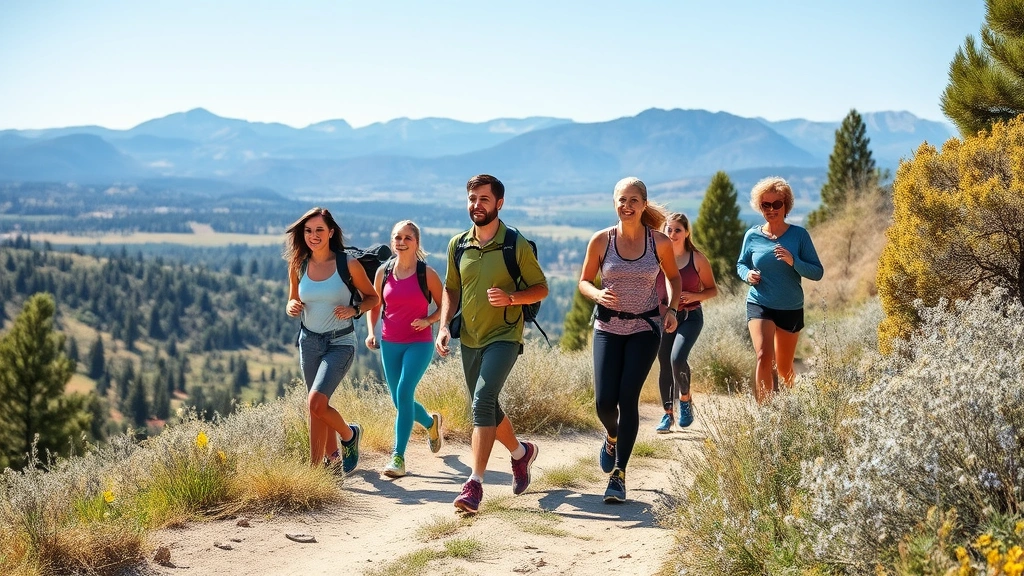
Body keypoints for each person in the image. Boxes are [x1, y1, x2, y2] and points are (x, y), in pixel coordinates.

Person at [435, 174, 549, 514]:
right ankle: (521, 453)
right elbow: (451, 288)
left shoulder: (515, 244)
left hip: (505, 336)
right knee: (485, 407)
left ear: (499, 203)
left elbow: (540, 287)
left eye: (484, 199)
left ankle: (474, 484)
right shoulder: (458, 244)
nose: (476, 205)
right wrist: (443, 327)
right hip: (469, 337)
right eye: (472, 199)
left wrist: (512, 298)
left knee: (482, 400)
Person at [578, 177, 681, 503]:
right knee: (604, 402)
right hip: (608, 328)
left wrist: (672, 309)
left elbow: (674, 279)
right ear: (614, 203)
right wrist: (596, 294)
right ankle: (611, 436)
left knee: (627, 398)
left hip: (645, 329)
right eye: (622, 200)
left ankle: (619, 475)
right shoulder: (601, 241)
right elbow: (584, 281)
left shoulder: (659, 242)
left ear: (643, 204)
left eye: (634, 200)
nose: (627, 206)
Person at [284, 207, 379, 473]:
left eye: (319, 230)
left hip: (340, 343)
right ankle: (330, 464)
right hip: (309, 341)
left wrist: (355, 310)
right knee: (317, 406)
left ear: (331, 233)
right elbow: (293, 298)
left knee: (315, 402)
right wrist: (291, 306)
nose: (313, 236)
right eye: (308, 231)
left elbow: (373, 298)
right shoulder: (298, 264)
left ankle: (347, 437)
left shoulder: (347, 264)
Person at [365, 220, 445, 478]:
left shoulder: (427, 274)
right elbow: (375, 305)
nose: (401, 242)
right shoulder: (383, 272)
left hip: (419, 343)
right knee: (399, 401)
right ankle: (431, 424)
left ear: (416, 243)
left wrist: (429, 321)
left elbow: (446, 306)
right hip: (390, 343)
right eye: (397, 237)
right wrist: (370, 331)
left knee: (404, 390)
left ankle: (398, 457)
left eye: (407, 238)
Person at [736, 177, 823, 403]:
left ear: (786, 206)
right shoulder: (752, 235)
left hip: (790, 306)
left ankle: (788, 409)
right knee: (764, 356)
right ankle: (765, 416)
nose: (772, 209)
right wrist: (748, 275)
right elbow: (741, 263)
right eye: (766, 205)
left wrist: (793, 261)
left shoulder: (799, 236)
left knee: (784, 369)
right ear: (760, 206)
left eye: (777, 204)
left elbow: (817, 272)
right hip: (759, 302)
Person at [654, 212, 718, 433]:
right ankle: (667, 415)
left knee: (677, 358)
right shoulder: (657, 258)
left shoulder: (697, 258)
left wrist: (694, 296)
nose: (672, 234)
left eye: (677, 230)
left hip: (691, 316)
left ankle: (685, 399)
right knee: (664, 362)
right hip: (665, 318)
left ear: (687, 232)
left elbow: (713, 290)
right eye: (668, 230)